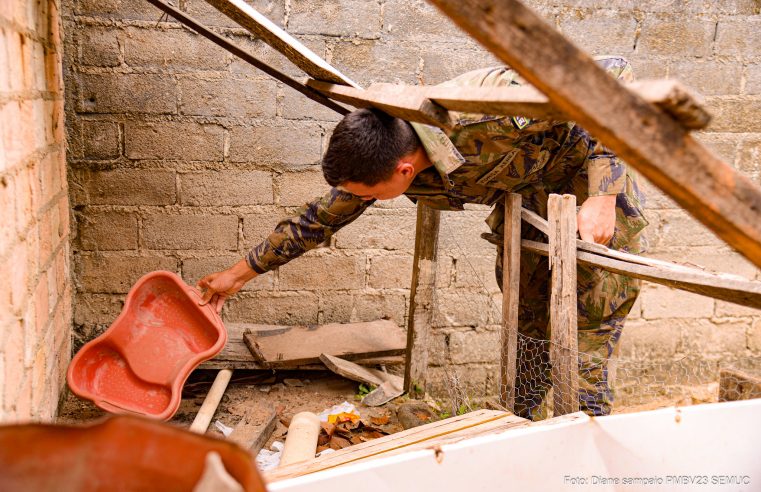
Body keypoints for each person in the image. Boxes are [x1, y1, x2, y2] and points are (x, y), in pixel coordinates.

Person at [197, 56, 648, 419]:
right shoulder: (385, 153)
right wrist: (238, 275)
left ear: (404, 171)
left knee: (589, 325)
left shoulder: (488, 104)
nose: (361, 201)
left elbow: (612, 73)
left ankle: (589, 433)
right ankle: (523, 423)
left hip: (591, 186)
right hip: (528, 197)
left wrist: (604, 194)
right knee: (529, 319)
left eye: (368, 195)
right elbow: (318, 219)